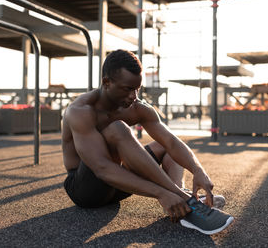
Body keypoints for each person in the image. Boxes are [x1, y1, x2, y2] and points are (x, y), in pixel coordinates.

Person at [62, 49, 233, 235]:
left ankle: (181, 204)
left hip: (119, 186)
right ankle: (183, 198)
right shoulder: (81, 111)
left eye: (137, 88)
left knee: (163, 145)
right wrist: (161, 193)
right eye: (127, 89)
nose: (133, 96)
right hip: (86, 191)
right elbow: (102, 168)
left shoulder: (137, 108)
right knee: (117, 128)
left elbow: (171, 142)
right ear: (106, 82)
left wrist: (198, 170)